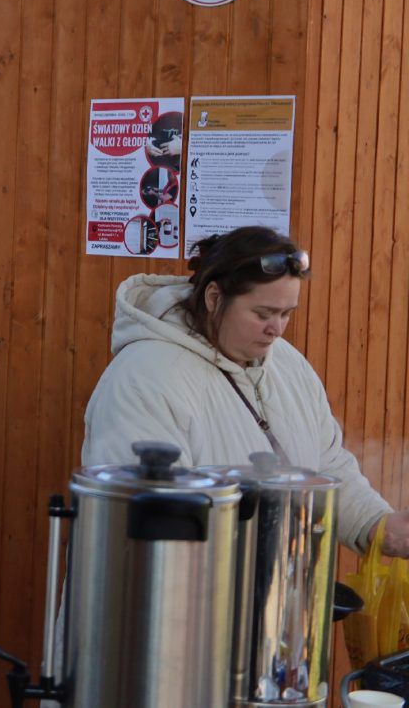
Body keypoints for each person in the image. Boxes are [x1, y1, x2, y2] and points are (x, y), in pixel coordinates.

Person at [83, 225, 409, 557]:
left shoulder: (288, 363)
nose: (276, 329)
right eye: (263, 314)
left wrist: (379, 525)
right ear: (214, 298)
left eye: (286, 314)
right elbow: (149, 522)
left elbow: (326, 466)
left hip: (266, 597)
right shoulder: (145, 377)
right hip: (166, 599)